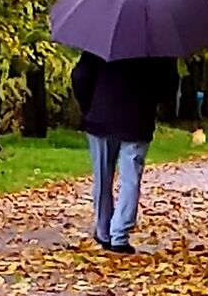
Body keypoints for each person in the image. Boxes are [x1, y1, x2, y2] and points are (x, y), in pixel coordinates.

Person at [71, 53, 177, 253]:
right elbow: (167, 89)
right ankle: (119, 235)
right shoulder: (159, 46)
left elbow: (80, 76)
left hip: (100, 116)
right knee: (131, 177)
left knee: (102, 176)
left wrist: (88, 106)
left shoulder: (103, 38)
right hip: (138, 119)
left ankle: (103, 231)